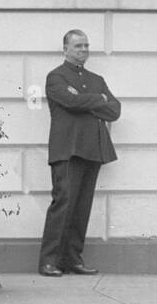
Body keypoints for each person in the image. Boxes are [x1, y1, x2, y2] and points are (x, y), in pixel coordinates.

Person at [39, 30, 120, 276]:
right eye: (77, 46)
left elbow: (114, 110)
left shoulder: (96, 78)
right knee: (63, 204)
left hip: (92, 149)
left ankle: (72, 259)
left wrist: (87, 100)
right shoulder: (56, 77)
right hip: (67, 150)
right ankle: (49, 261)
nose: (83, 50)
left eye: (86, 45)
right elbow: (69, 102)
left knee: (81, 208)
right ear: (65, 49)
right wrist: (98, 100)